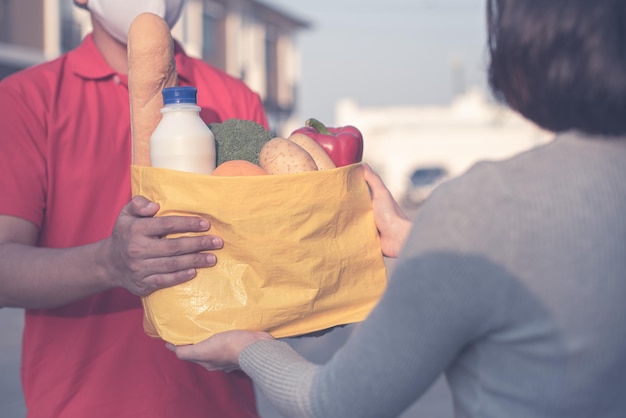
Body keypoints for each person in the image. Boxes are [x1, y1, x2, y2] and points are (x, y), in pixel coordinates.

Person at [168, 0, 626, 417]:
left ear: (526, 44)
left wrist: (246, 348)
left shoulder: (486, 205)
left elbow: (336, 403)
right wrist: (418, 240)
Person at [0, 0, 268, 417]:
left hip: (220, 406)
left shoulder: (235, 98)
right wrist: (109, 263)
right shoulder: (24, 100)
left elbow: (263, 257)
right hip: (81, 406)